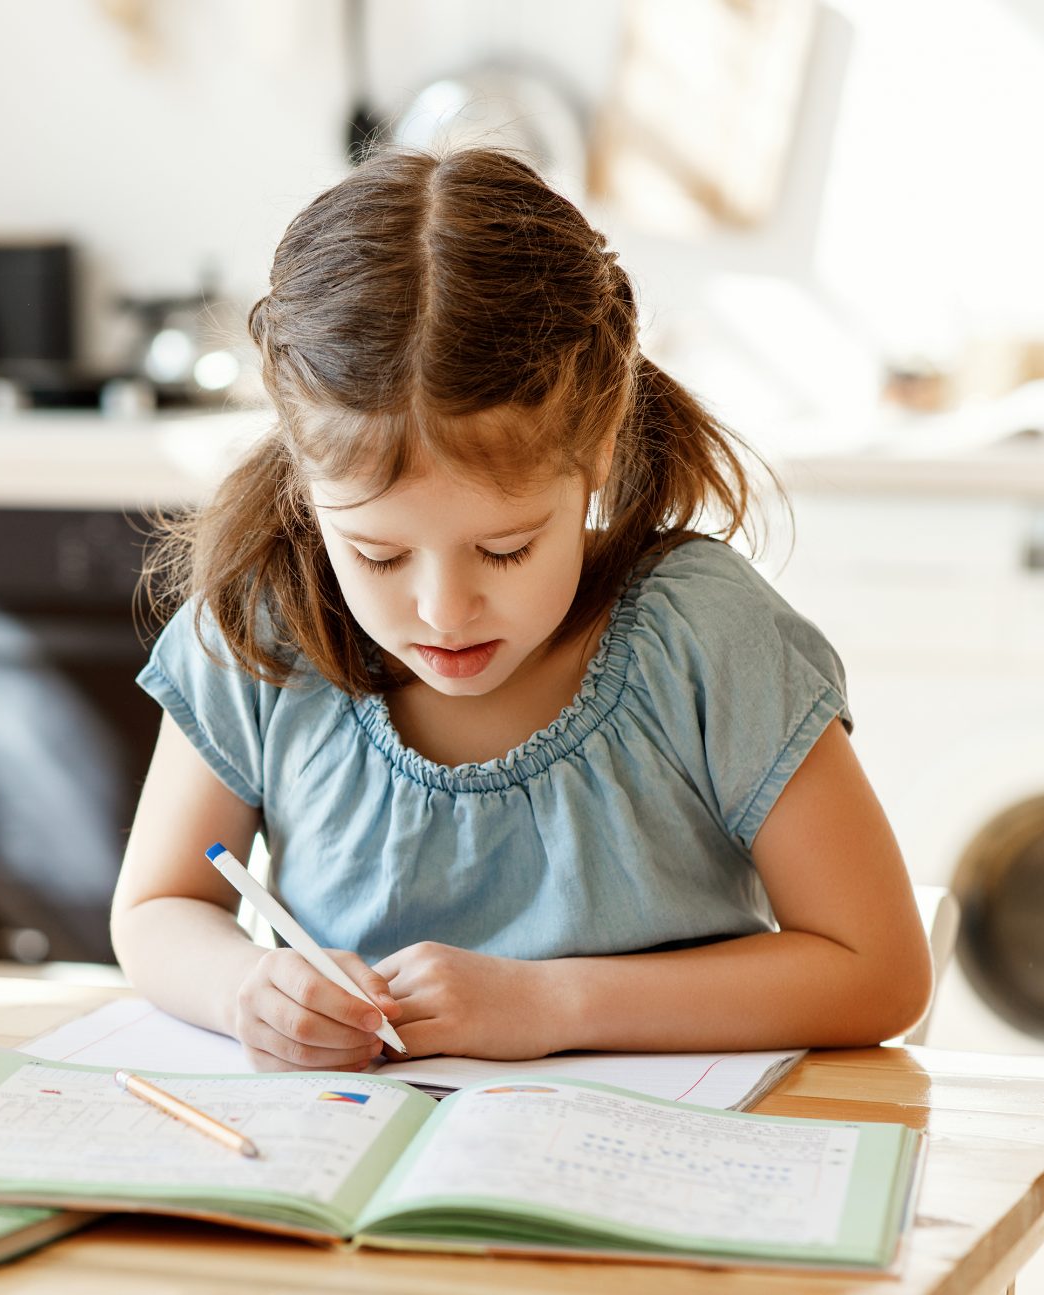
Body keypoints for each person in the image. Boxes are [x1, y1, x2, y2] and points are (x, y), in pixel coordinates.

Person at [109, 148, 932, 1072]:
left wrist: (553, 1001)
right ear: (306, 483)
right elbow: (157, 909)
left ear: (602, 446)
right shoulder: (265, 630)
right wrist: (242, 988)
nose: (442, 609)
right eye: (376, 553)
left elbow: (881, 971)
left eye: (506, 548)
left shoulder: (707, 641)